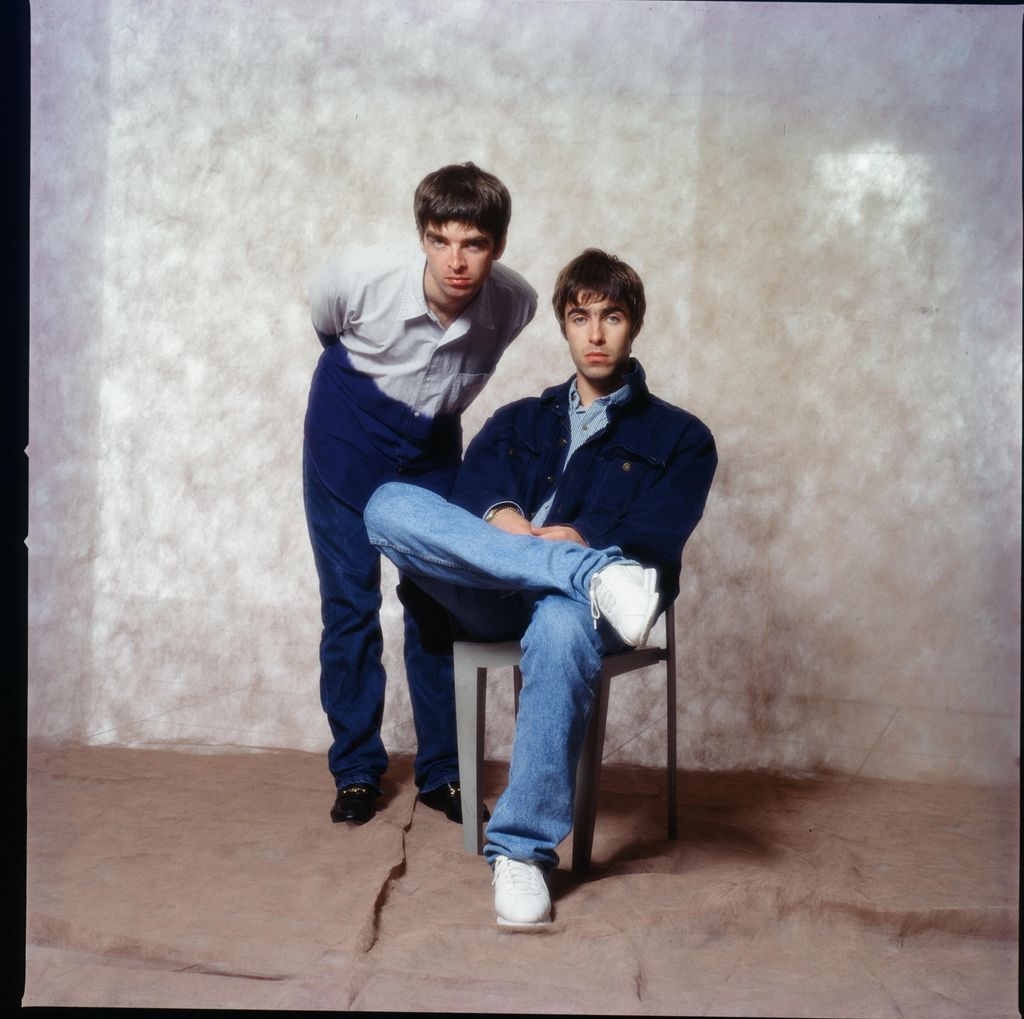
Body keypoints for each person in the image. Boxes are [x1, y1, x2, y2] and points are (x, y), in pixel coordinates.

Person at [363, 248, 717, 925]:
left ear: (632, 325)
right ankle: (584, 577)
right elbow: (469, 499)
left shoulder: (681, 437)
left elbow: (655, 539)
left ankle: (521, 852)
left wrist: (578, 538)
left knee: (559, 617)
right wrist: (506, 522)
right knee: (387, 504)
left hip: (597, 609)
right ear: (563, 323)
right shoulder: (519, 418)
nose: (595, 333)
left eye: (611, 316)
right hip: (503, 589)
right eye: (580, 316)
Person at [303, 162, 537, 827]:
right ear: (422, 236)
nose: (457, 260)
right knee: (350, 605)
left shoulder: (514, 303)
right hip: (347, 435)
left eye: (476, 244)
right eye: (441, 240)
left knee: (437, 606)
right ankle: (355, 770)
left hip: (432, 449)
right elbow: (328, 331)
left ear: (498, 245)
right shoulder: (362, 278)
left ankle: (444, 774)